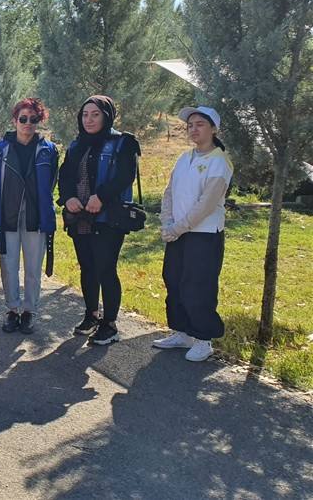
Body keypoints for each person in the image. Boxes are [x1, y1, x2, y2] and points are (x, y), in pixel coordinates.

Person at [57, 95, 140, 346]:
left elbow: (126, 175)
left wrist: (101, 197)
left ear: (107, 116)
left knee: (105, 268)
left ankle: (110, 324)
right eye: (85, 114)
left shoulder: (123, 143)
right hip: (81, 216)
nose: (89, 119)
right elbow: (66, 175)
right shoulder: (76, 145)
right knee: (88, 268)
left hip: (108, 218)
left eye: (95, 114)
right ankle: (91, 314)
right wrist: (68, 197)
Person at [153, 106, 232, 362]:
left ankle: (203, 338)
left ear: (213, 129)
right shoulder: (184, 158)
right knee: (173, 279)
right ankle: (183, 331)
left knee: (198, 285)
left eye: (200, 124)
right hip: (178, 232)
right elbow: (169, 192)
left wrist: (177, 227)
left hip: (204, 235)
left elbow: (206, 203)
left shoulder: (219, 161)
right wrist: (167, 222)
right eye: (190, 125)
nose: (193, 129)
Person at [0, 98, 58, 335]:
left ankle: (29, 311)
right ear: (14, 120)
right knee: (8, 267)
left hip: (35, 217)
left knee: (33, 268)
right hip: (7, 215)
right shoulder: (0, 150)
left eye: (33, 119)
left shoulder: (48, 150)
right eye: (23, 119)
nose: (28, 124)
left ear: (39, 121)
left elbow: (51, 183)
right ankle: (12, 309)